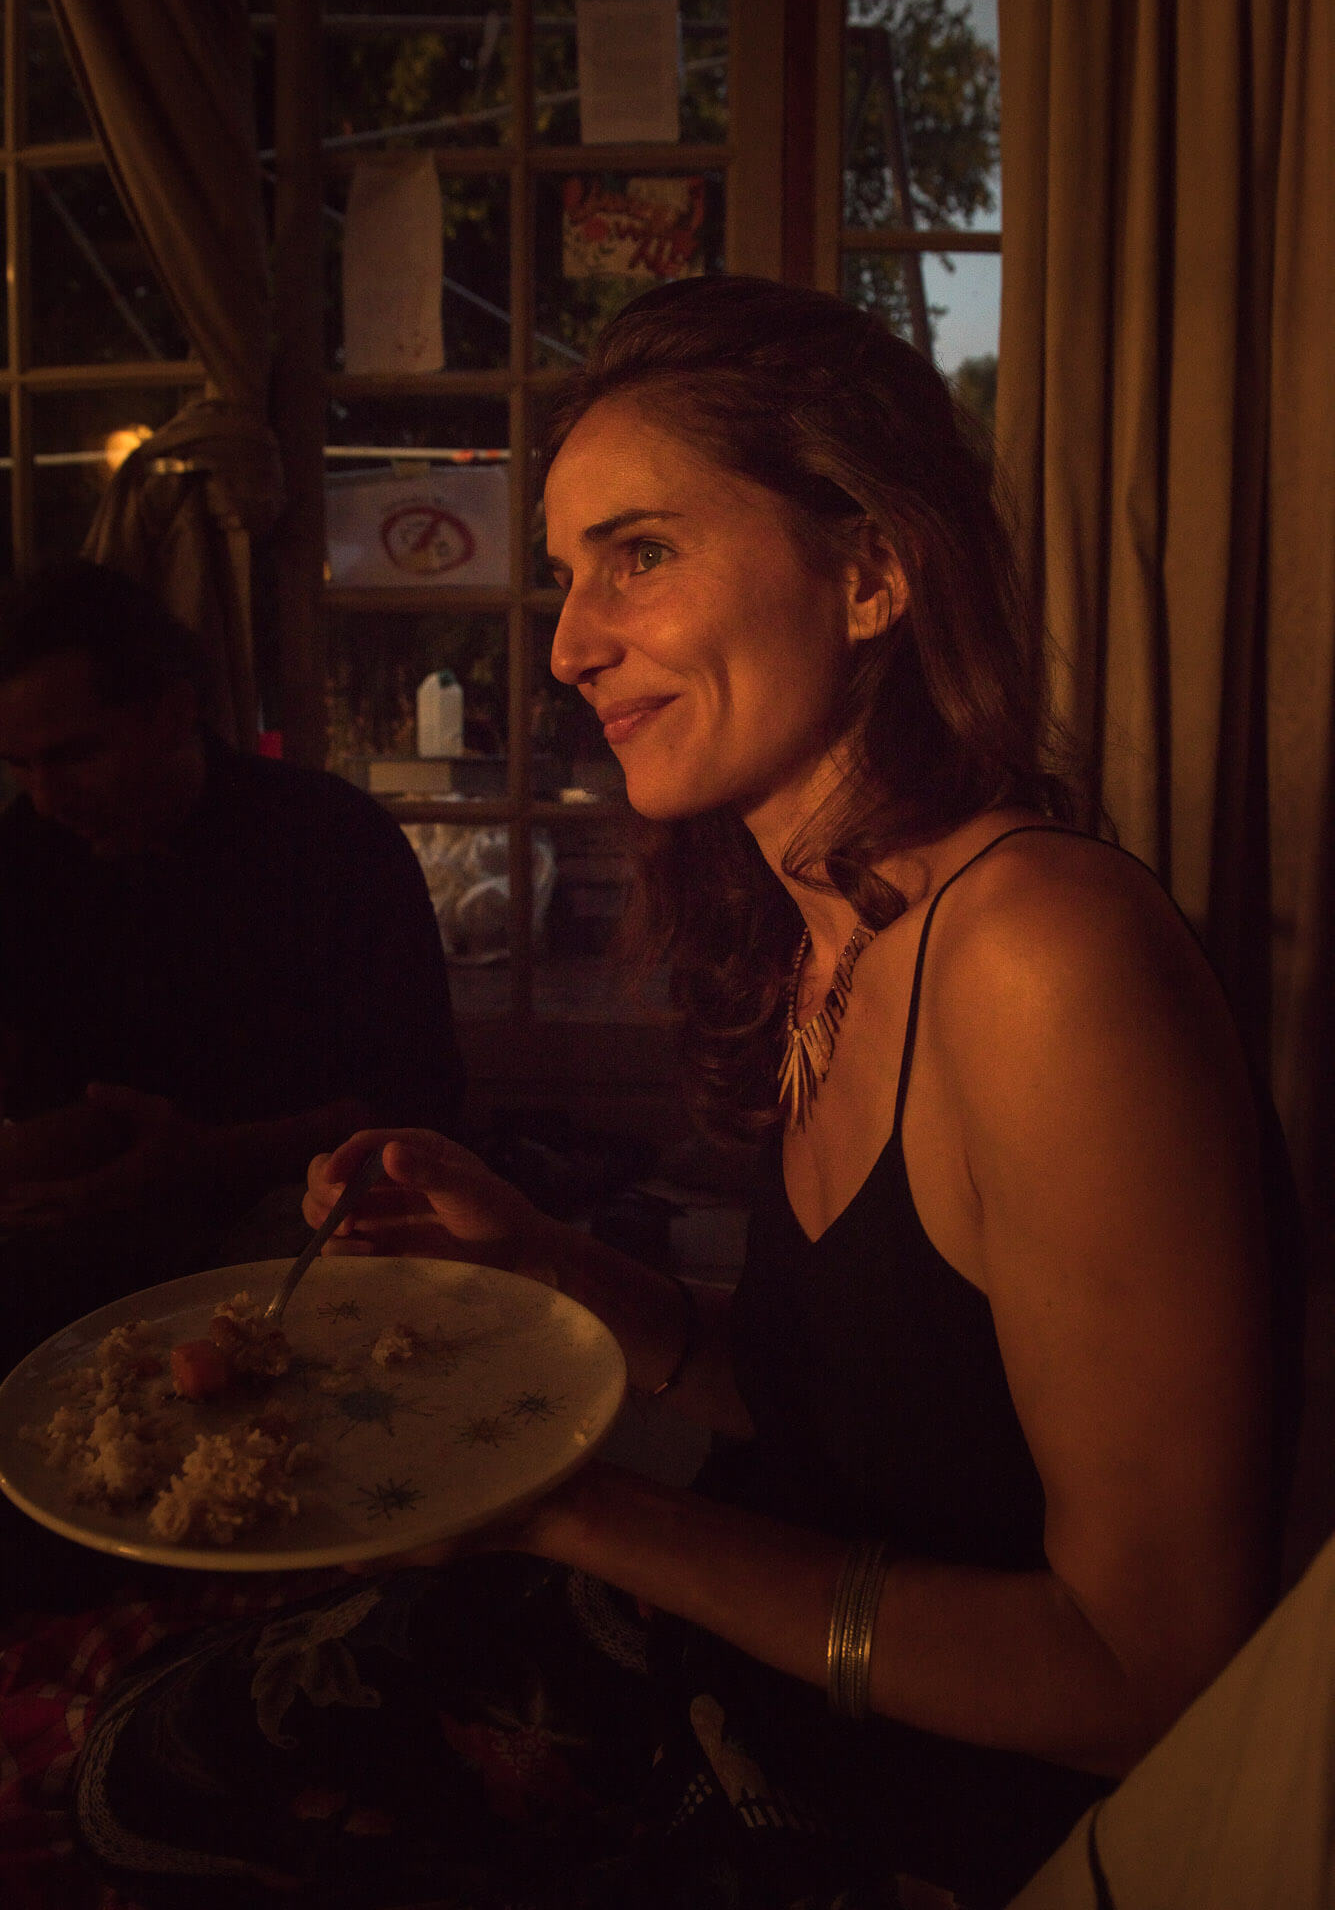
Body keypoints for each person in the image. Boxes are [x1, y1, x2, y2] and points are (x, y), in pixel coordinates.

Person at [68, 278, 1303, 1910]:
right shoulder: (831, 928)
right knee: (147, 1741)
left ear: (870, 571)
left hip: (910, 1802)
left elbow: (1151, 1670)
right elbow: (850, 1409)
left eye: (639, 554)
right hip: (758, 1674)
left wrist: (570, 1516)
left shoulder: (1038, 953)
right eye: (566, 574)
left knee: (169, 1816)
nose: (568, 645)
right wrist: (543, 1260)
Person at [0, 560, 465, 1344]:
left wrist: (197, 1157)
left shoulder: (329, 840)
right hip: (85, 1219)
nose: (46, 798)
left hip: (299, 1204)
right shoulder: (26, 852)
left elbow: (418, 1100)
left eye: (76, 756)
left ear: (174, 711)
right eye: (20, 766)